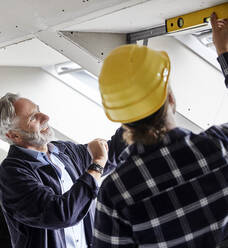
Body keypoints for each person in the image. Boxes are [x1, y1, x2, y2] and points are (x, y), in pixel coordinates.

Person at [93, 13, 228, 248]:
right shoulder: (219, 146)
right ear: (171, 99)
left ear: (122, 119)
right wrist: (224, 52)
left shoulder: (115, 193)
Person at [0, 94, 125, 248]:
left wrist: (140, 118)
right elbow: (60, 214)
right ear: (14, 135)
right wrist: (96, 165)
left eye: (38, 110)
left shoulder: (65, 151)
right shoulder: (13, 173)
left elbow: (114, 152)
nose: (45, 117)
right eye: (33, 118)